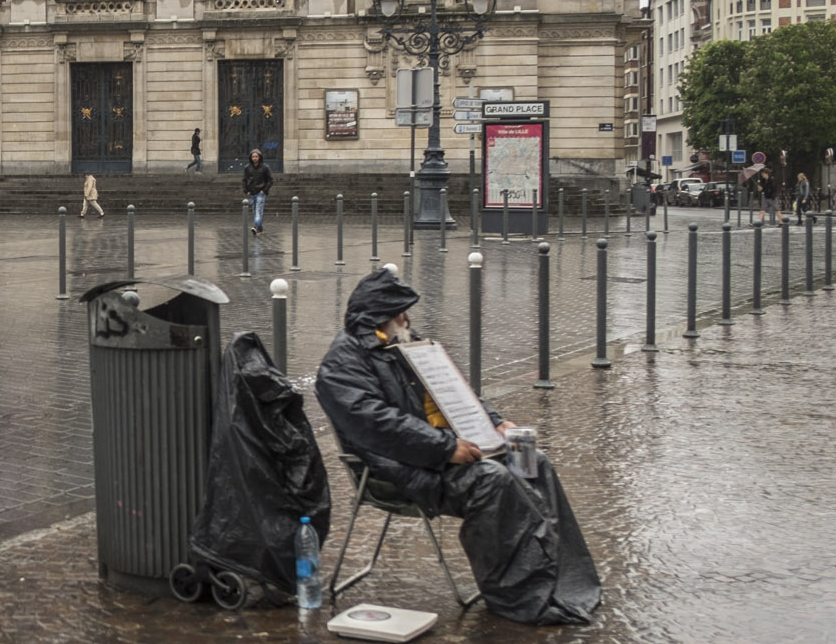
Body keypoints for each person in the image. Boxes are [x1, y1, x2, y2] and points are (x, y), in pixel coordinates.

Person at [315, 268, 602, 625]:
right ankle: (516, 593)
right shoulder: (342, 364)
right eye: (400, 312)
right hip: (402, 470)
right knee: (491, 481)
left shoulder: (404, 341)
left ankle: (559, 575)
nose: (407, 318)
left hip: (449, 450)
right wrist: (444, 448)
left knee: (532, 460)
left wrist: (494, 421)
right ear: (379, 316)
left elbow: (454, 390)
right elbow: (377, 424)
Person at [241, 149, 273, 235]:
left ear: (259, 157)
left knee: (258, 210)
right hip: (251, 192)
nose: (255, 158)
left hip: (261, 192)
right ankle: (260, 227)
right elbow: (244, 179)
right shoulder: (247, 168)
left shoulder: (265, 167)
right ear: (251, 158)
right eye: (253, 157)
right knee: (255, 211)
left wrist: (265, 190)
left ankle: (255, 226)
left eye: (256, 156)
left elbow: (270, 180)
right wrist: (246, 190)